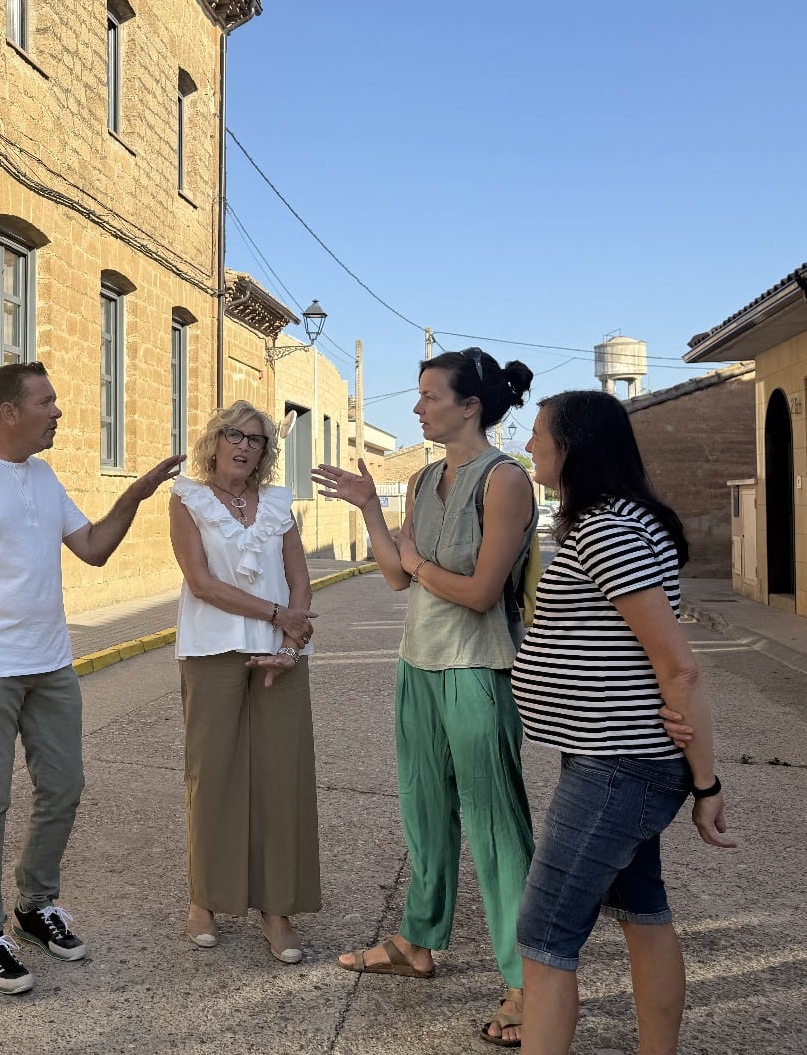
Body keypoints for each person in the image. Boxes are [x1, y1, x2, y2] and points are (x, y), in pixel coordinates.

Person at [0, 361, 183, 996]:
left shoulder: (44, 477)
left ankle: (34, 905)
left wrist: (133, 496)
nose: (57, 412)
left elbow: (94, 548)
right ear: (9, 412)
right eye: (46, 402)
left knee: (64, 786)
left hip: (49, 661)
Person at [312, 347, 537, 1047]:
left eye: (430, 397)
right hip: (418, 662)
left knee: (497, 828)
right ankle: (417, 942)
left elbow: (481, 593)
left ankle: (528, 982)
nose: (417, 408)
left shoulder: (505, 480)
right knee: (424, 813)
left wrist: (413, 560)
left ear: (470, 406)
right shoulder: (419, 479)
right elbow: (396, 578)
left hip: (478, 668)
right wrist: (369, 513)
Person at [511, 391, 737, 1055]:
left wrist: (707, 784)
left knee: (545, 937)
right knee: (643, 912)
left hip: (618, 767)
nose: (529, 445)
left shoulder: (607, 530)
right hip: (618, 759)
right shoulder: (620, 520)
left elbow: (679, 667)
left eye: (539, 433)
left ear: (574, 445)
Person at [169, 401, 320, 962]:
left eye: (256, 440)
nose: (244, 446)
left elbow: (300, 580)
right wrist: (277, 615)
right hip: (211, 651)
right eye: (234, 434)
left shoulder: (278, 504)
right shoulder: (188, 499)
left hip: (280, 656)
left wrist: (290, 644)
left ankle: (277, 909)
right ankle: (205, 900)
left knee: (283, 778)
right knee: (213, 777)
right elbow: (201, 583)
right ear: (214, 441)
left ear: (265, 453)